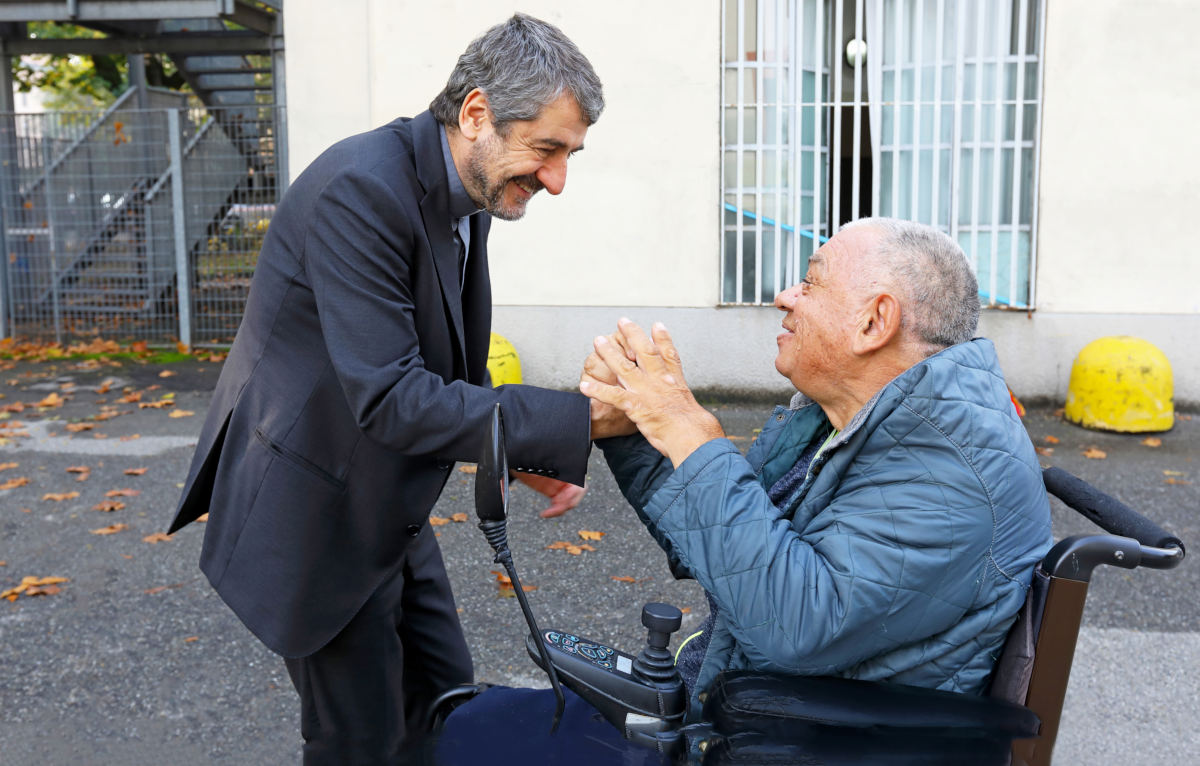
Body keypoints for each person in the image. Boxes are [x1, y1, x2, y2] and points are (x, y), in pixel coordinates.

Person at [167, 14, 604, 762]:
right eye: (547, 149)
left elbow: (442, 358)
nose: (558, 179)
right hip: (315, 510)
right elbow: (393, 396)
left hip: (382, 497)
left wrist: (517, 452)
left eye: (571, 154)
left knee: (442, 699)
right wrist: (580, 421)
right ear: (476, 113)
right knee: (361, 740)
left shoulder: (465, 186)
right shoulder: (362, 190)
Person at [581, 217, 1053, 719]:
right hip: (749, 711)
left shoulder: (950, 475)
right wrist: (631, 431)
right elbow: (723, 552)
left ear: (874, 323)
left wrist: (691, 435)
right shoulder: (858, 420)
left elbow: (795, 628)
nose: (785, 297)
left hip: (800, 739)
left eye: (810, 283)